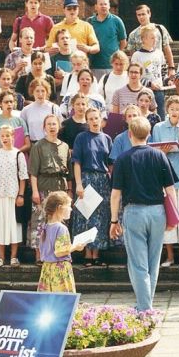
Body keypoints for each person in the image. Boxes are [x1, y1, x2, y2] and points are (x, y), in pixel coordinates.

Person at [110, 116, 177, 310]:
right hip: (158, 212)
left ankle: (144, 308)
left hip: (134, 212)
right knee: (153, 262)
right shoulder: (159, 156)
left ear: (129, 134)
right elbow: (170, 189)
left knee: (138, 264)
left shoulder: (123, 158)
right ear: (149, 134)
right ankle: (146, 305)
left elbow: (115, 195)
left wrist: (114, 220)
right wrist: (173, 216)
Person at [153, 96, 179, 270]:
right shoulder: (158, 127)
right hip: (164, 174)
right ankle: (170, 256)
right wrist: (162, 151)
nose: (175, 111)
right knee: (167, 215)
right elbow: (154, 148)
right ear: (167, 109)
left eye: (178, 108)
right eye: (172, 108)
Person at [29, 114, 73, 264]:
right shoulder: (38, 146)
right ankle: (39, 254)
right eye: (49, 124)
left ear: (59, 126)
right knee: (40, 222)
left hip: (60, 187)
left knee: (59, 221)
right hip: (43, 186)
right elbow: (33, 172)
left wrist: (69, 190)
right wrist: (35, 191)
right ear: (44, 127)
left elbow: (69, 172)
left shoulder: (65, 146)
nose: (52, 127)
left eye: (54, 124)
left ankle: (59, 253)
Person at [72, 108, 112, 266]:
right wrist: (79, 184)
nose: (95, 121)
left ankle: (97, 254)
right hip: (86, 178)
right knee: (87, 217)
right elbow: (77, 162)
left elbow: (110, 163)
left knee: (101, 218)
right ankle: (88, 254)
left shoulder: (107, 138)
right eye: (91, 119)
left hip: (102, 180)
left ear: (101, 119)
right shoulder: (81, 137)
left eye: (97, 118)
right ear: (87, 121)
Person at [0, 124, 29, 267]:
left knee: (13, 226)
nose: (5, 138)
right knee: (0, 225)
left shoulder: (19, 154)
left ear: (13, 136)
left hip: (13, 195)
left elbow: (23, 177)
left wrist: (21, 195)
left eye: (8, 135)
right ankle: (0, 257)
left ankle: (13, 257)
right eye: (2, 136)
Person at [37, 191, 85, 293]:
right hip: (59, 270)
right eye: (68, 206)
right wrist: (75, 247)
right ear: (59, 208)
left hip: (46, 269)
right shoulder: (61, 228)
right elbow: (59, 251)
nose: (71, 209)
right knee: (62, 301)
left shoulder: (44, 227)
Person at [127, 4, 176, 85]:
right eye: (138, 15)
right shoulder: (133, 34)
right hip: (144, 75)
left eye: (143, 14)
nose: (141, 17)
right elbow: (132, 56)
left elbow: (167, 48)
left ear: (149, 14)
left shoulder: (160, 29)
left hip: (158, 70)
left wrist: (171, 68)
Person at [131, 23, 167, 118]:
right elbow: (135, 76)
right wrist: (150, 84)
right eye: (152, 38)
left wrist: (167, 80)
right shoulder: (137, 55)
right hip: (144, 92)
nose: (155, 40)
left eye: (155, 37)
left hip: (159, 91)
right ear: (143, 39)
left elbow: (163, 70)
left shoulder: (159, 53)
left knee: (160, 116)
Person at [88, 0, 127, 78]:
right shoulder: (90, 22)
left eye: (105, 4)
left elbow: (123, 42)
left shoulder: (117, 21)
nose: (103, 6)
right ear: (96, 7)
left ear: (109, 6)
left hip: (112, 66)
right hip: (94, 66)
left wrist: (116, 56)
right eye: (101, 4)